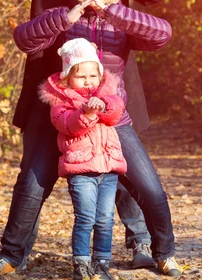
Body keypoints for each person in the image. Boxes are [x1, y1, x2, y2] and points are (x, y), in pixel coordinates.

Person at [0, 0, 167, 277]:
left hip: (109, 83)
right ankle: (13, 254)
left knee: (119, 169)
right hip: (49, 88)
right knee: (34, 175)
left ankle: (139, 243)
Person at [11, 0, 182, 276]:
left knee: (151, 190)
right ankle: (10, 256)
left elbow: (162, 33)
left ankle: (165, 253)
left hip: (115, 121)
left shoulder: (121, 21)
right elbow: (24, 39)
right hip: (67, 122)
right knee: (33, 185)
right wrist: (67, 17)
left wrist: (114, 14)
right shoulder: (64, 17)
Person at [38, 38, 126, 280]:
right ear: (67, 77)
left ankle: (102, 263)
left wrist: (104, 104)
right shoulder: (61, 102)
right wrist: (85, 112)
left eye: (92, 76)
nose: (88, 81)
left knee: (105, 219)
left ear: (99, 75)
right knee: (86, 217)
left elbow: (115, 112)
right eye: (81, 76)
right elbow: (68, 126)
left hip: (108, 169)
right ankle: (81, 263)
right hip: (81, 170)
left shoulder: (107, 94)